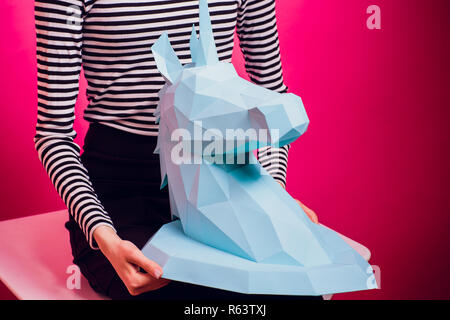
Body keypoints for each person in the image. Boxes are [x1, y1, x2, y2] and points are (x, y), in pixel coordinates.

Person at [34, 0, 319, 300]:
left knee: (296, 290)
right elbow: (53, 134)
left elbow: (271, 98)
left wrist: (271, 192)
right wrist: (104, 236)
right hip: (122, 196)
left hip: (225, 185)